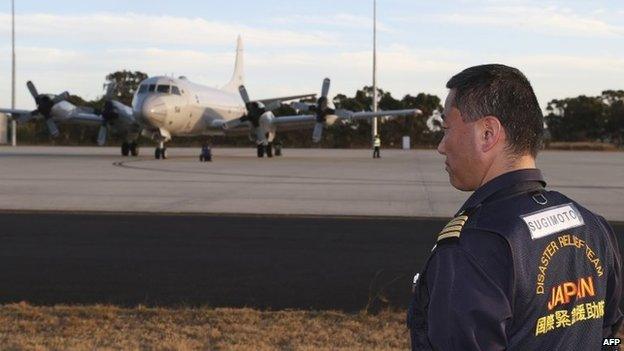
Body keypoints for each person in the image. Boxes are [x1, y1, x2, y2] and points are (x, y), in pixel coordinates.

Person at [407, 64, 622, 350]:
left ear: (487, 134)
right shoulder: (592, 226)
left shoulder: (474, 248)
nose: (441, 146)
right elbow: (608, 334)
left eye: (447, 129)